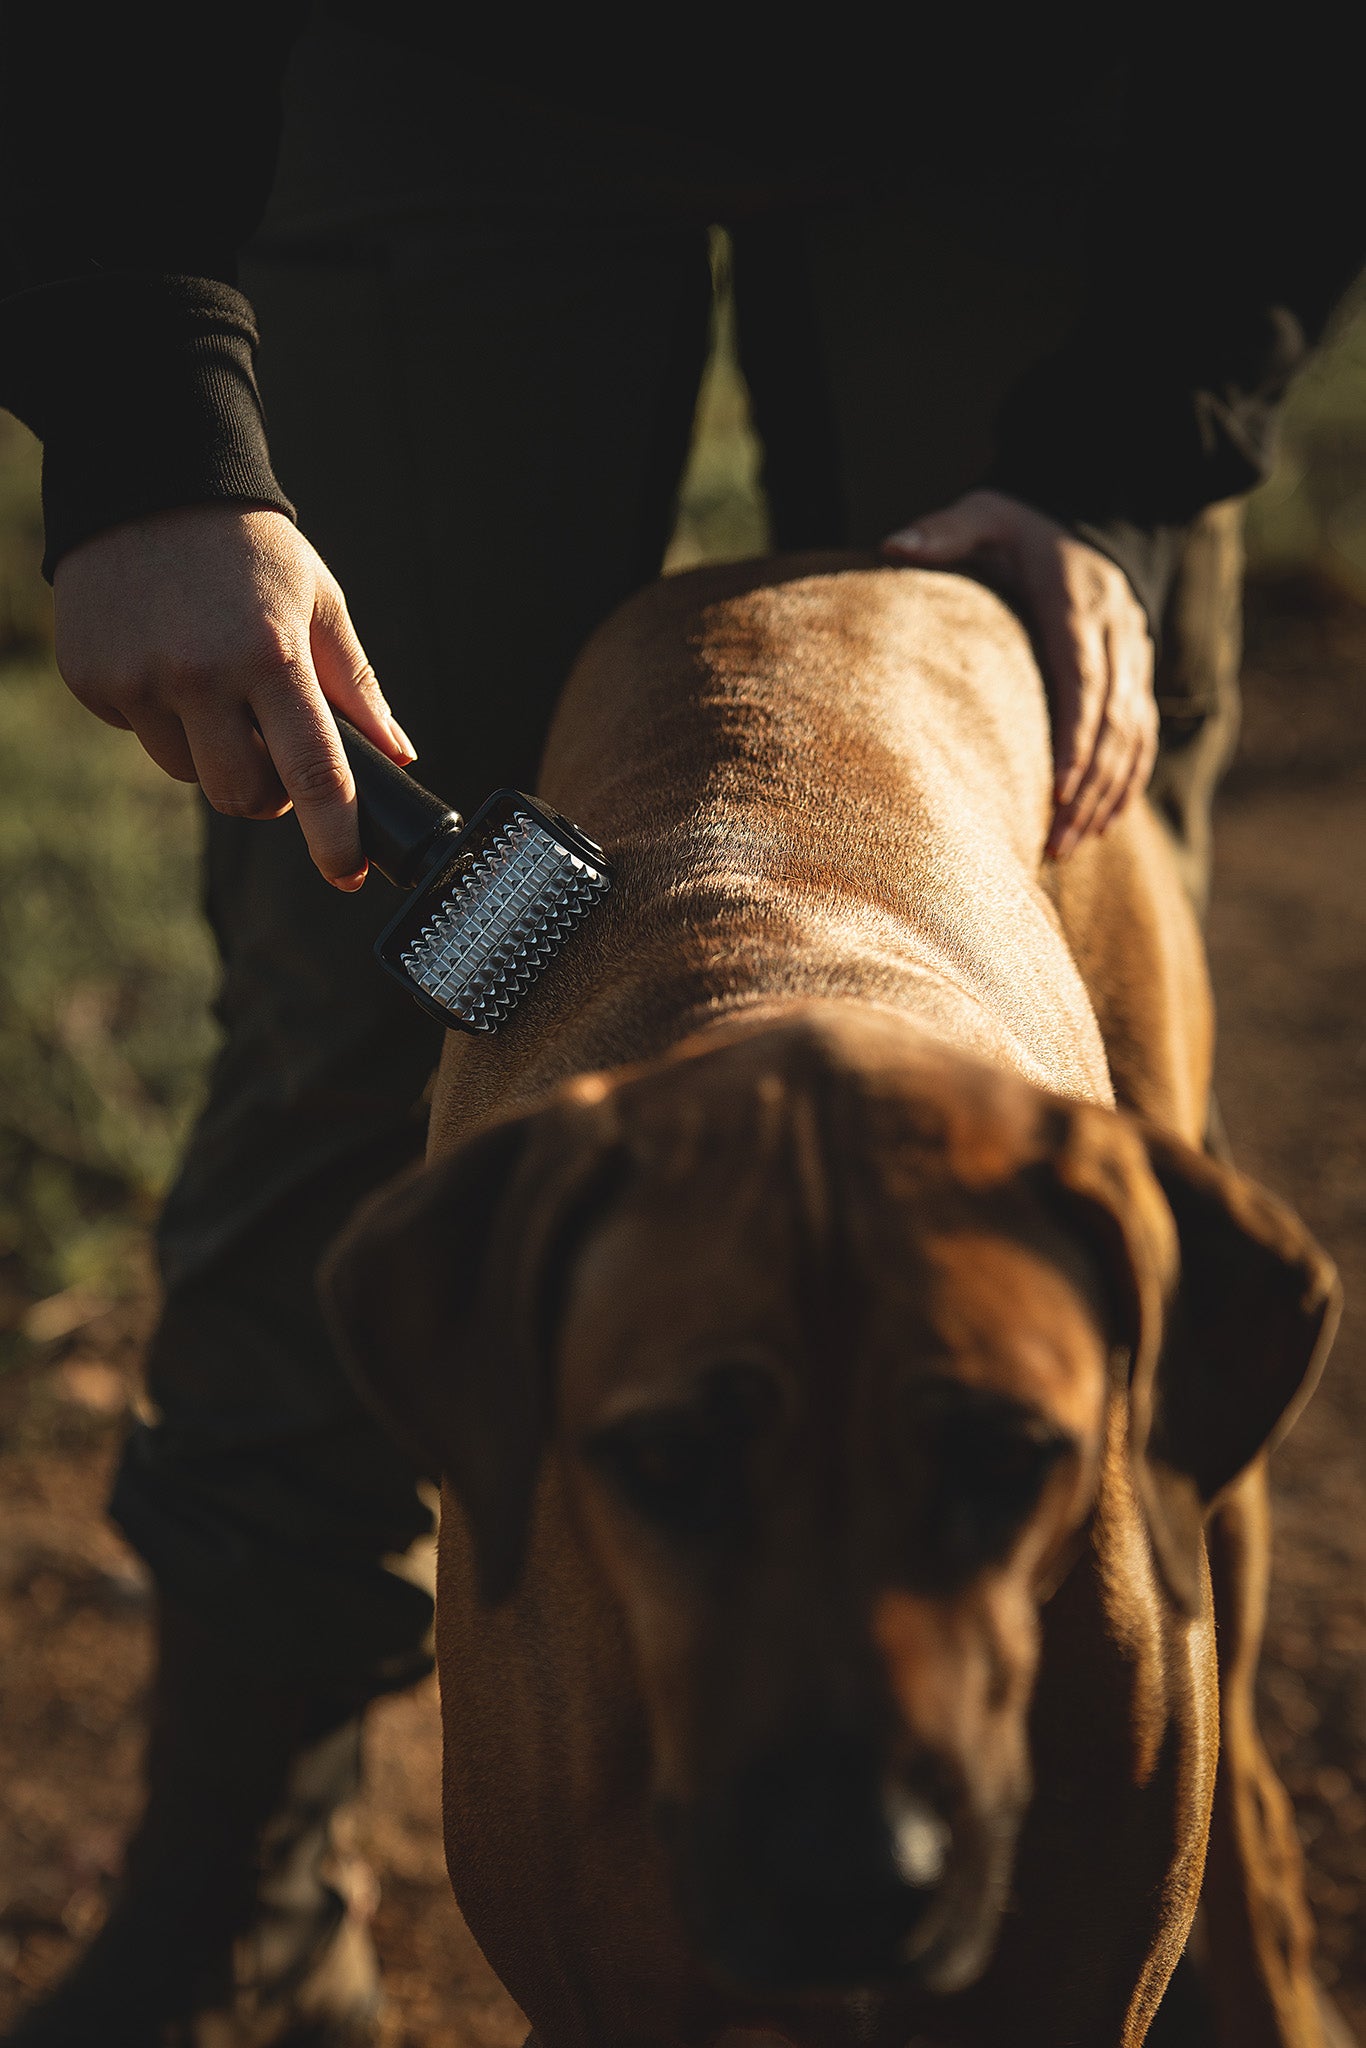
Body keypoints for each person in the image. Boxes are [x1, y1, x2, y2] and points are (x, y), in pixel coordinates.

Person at [1, 8, 1359, 2041]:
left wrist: (1127, 460)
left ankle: (1196, 1928)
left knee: (1038, 1108)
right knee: (352, 1042)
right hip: (423, 66)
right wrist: (144, 423)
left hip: (1050, 88)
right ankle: (231, 1911)